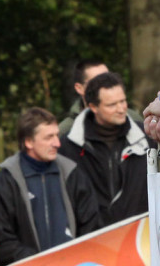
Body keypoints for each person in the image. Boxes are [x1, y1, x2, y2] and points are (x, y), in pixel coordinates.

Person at [0, 108, 102, 266]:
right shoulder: (5, 182)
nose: (57, 143)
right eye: (49, 137)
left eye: (56, 135)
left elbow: (91, 226)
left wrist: (76, 257)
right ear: (28, 142)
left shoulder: (72, 174)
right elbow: (1, 238)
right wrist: (38, 262)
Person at [63, 72, 153, 226]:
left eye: (123, 101)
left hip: (141, 239)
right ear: (93, 107)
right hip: (92, 243)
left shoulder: (149, 136)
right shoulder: (67, 147)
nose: (121, 109)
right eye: (112, 105)